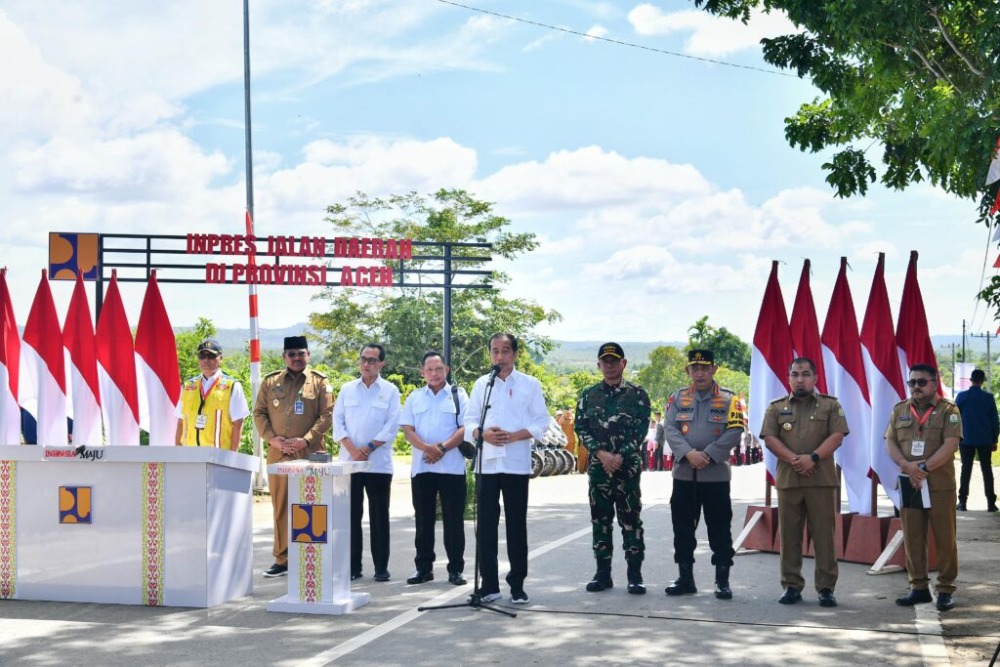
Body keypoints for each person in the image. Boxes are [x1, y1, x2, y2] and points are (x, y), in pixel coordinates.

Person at [464, 333, 550, 604]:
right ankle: (489, 585)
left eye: (504, 351)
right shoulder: (482, 384)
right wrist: (481, 434)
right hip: (486, 464)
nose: (499, 357)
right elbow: (467, 421)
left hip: (515, 464)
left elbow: (542, 421)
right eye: (494, 351)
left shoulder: (530, 384)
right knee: (486, 527)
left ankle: (517, 585)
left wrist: (518, 435)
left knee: (516, 526)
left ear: (514, 354)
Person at [760, 358, 848, 608]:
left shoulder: (830, 406)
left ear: (815, 378)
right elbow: (769, 437)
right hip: (789, 480)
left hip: (820, 480)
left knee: (824, 536)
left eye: (805, 374)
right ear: (788, 378)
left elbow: (838, 435)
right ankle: (791, 585)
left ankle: (826, 588)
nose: (800, 379)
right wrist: (794, 460)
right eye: (795, 374)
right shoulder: (776, 408)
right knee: (789, 536)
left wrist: (814, 458)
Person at [663, 349, 743, 600]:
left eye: (704, 368)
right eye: (694, 368)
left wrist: (707, 454)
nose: (699, 373)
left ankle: (722, 581)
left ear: (714, 370)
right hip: (684, 475)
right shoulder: (677, 398)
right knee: (682, 529)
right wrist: (688, 454)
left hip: (715, 476)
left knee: (720, 530)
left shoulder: (730, 400)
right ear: (688, 371)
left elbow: (735, 429)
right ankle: (685, 578)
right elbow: (670, 428)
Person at [253, 336, 334, 578]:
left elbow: (327, 415)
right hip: (279, 453)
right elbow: (259, 413)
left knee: (310, 505)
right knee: (280, 506)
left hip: (310, 453)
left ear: (308, 355)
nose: (297, 358)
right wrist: (272, 439)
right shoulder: (271, 382)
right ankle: (282, 558)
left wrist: (305, 439)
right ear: (284, 357)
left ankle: (311, 556)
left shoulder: (320, 382)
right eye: (292, 354)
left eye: (301, 353)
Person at [575, 342, 651, 595]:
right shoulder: (588, 395)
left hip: (627, 467)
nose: (609, 365)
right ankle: (602, 574)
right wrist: (601, 454)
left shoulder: (638, 395)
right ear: (599, 365)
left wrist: (619, 455)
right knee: (601, 520)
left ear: (623, 363)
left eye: (613, 361)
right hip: (599, 468)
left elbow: (641, 430)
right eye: (604, 361)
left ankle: (634, 575)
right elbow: (580, 428)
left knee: (631, 520)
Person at [885, 363, 961, 611]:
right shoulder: (900, 410)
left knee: (944, 538)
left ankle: (946, 589)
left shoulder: (949, 410)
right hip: (911, 485)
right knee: (913, 537)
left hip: (938, 485)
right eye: (912, 382)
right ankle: (918, 587)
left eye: (921, 382)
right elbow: (891, 443)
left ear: (934, 382)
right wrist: (906, 466)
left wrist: (923, 468)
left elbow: (950, 445)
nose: (915, 387)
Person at [400, 350, 468, 586]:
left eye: (439, 369)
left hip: (452, 469)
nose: (434, 373)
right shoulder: (414, 398)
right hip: (422, 469)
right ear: (422, 372)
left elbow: (464, 428)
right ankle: (423, 569)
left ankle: (456, 570)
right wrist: (427, 448)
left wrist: (441, 448)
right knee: (423, 521)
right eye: (429, 369)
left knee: (454, 522)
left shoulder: (459, 395)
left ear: (446, 370)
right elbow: (408, 429)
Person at [334, 343, 401, 583]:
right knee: (350, 516)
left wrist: (369, 448)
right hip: (350, 463)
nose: (366, 364)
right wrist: (353, 450)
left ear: (382, 363)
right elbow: (337, 422)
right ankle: (353, 566)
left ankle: (381, 567)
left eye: (372, 360)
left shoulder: (391, 391)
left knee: (379, 517)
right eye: (363, 359)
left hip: (378, 465)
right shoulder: (347, 389)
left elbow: (392, 426)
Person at [175, 338, 250, 450]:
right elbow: (181, 422)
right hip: (189, 455)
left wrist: (232, 457)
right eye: (202, 356)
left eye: (211, 356)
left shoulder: (232, 386)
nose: (206, 360)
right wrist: (178, 452)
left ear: (221, 358)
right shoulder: (187, 386)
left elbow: (238, 424)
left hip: (218, 457)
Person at [955, 369, 999, 512]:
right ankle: (991, 504)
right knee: (987, 470)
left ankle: (962, 502)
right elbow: (994, 420)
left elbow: (955, 419)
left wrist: (955, 437)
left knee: (965, 469)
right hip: (985, 439)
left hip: (965, 439)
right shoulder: (988, 398)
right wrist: (994, 439)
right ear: (982, 380)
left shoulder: (961, 397)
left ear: (971, 379)